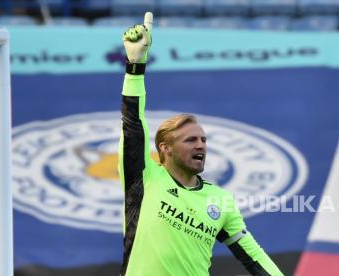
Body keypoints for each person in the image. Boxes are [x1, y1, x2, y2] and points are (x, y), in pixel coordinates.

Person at [118, 12, 283, 276]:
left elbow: (253, 257)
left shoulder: (220, 200)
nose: (201, 146)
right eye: (191, 140)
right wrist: (135, 68)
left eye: (204, 140)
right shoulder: (144, 178)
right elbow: (133, 125)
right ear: (165, 148)